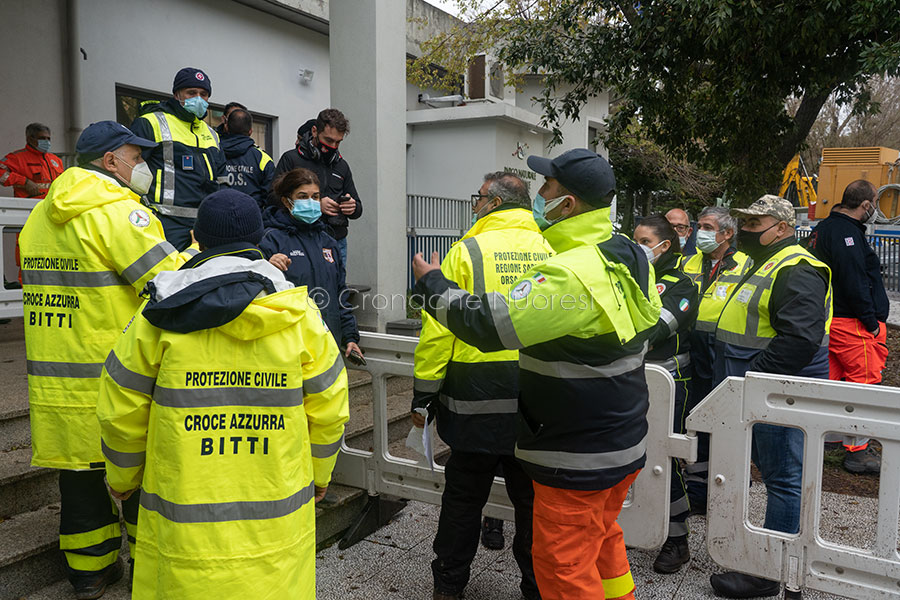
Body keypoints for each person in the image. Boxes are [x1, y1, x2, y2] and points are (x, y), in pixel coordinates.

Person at [412, 148, 661, 600]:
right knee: (602, 543)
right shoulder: (628, 253)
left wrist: (431, 283)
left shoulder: (569, 269)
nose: (539, 196)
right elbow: (655, 322)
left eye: (547, 188)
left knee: (562, 566)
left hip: (574, 448)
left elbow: (489, 326)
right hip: (620, 437)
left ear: (568, 204)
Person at [96, 189, 350, 600]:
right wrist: (320, 476)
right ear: (261, 238)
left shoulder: (156, 314)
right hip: (275, 530)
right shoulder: (299, 313)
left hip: (184, 534)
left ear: (196, 236)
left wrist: (122, 477)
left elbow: (121, 406)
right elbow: (329, 407)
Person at [19, 120, 199, 599]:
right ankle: (146, 565)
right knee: (138, 475)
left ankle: (89, 575)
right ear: (110, 161)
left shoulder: (40, 216)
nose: (142, 166)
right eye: (136, 158)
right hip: (116, 378)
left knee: (79, 481)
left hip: (56, 383)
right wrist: (202, 251)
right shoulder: (120, 214)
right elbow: (168, 284)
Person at [411, 172, 553, 600]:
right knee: (532, 506)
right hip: (535, 399)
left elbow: (439, 329)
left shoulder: (465, 251)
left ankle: (449, 587)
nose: (474, 206)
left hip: (472, 397)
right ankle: (536, 587)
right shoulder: (553, 249)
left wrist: (424, 393)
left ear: (491, 202)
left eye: (477, 199)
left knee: (463, 501)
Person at [710, 195, 832, 599]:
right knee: (777, 473)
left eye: (754, 222)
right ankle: (771, 562)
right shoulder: (765, 261)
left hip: (777, 389)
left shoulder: (797, 268)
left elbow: (798, 340)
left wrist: (754, 380)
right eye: (743, 222)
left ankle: (767, 573)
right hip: (763, 387)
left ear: (781, 227)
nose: (745, 229)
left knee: (783, 478)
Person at [806, 179, 889, 474]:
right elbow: (855, 282)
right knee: (865, 383)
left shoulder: (823, 230)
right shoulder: (846, 234)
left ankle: (828, 434)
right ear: (865, 205)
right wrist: (871, 322)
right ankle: (858, 450)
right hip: (852, 323)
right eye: (874, 205)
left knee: (830, 379)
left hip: (829, 319)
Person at [633, 215, 698, 574]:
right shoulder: (630, 276)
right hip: (628, 377)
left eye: (645, 241)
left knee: (664, 456)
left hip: (669, 380)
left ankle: (677, 539)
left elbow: (655, 328)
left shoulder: (681, 284)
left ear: (664, 246)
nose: (638, 246)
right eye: (635, 239)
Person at [679, 206, 752, 513]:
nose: (700, 232)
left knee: (724, 417)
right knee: (695, 417)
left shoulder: (745, 264)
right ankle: (697, 489)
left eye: (707, 226)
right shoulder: (688, 260)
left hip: (722, 348)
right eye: (699, 225)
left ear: (727, 233)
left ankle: (729, 488)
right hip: (690, 346)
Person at [259, 168, 362, 360]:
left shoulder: (328, 242)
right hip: (289, 346)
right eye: (302, 196)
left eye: (315, 197)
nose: (311, 202)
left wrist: (350, 336)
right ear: (286, 201)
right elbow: (259, 295)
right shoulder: (271, 240)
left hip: (328, 342)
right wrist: (267, 265)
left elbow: (340, 292)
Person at [130, 67, 226, 251]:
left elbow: (221, 181)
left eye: (203, 94)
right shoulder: (150, 122)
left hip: (205, 225)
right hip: (164, 223)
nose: (198, 98)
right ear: (177, 94)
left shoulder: (212, 134)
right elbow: (130, 171)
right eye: (191, 92)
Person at [273, 109, 361, 266]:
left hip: (336, 241)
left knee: (335, 287)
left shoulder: (342, 166)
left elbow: (358, 208)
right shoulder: (292, 159)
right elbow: (272, 199)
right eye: (328, 140)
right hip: (298, 239)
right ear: (315, 131)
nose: (333, 146)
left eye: (338, 142)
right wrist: (315, 204)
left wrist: (352, 207)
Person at [221, 109, 275, 209]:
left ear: (226, 127)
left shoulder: (214, 152)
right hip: (251, 217)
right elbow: (270, 196)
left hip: (218, 215)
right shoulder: (263, 158)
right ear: (250, 131)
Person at [0, 122, 64, 198]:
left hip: (53, 204)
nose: (47, 141)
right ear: (29, 139)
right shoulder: (17, 157)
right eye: (42, 138)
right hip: (28, 205)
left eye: (48, 138)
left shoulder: (56, 159)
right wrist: (25, 182)